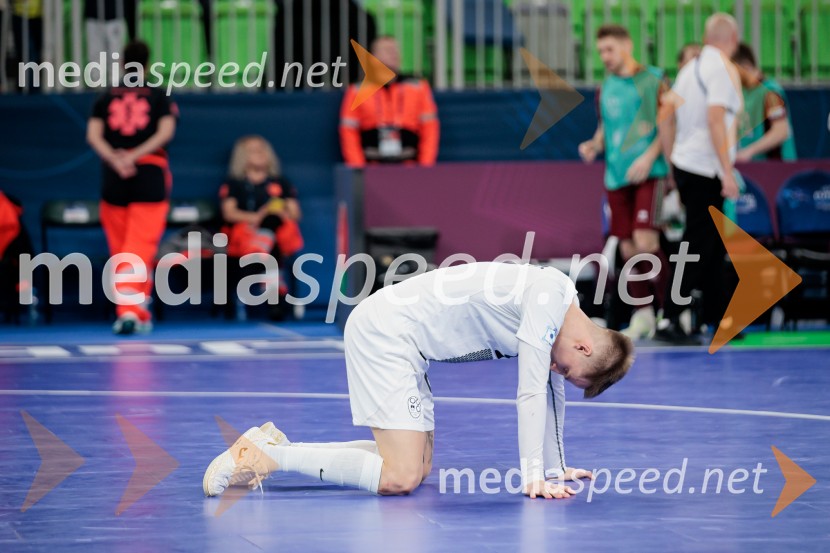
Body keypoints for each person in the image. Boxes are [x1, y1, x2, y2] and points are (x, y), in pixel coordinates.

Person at [204, 262, 634, 499]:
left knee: (416, 469)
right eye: (568, 370)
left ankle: (276, 448)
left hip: (409, 345)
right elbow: (529, 390)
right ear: (583, 348)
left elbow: (549, 389)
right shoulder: (548, 300)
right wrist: (533, 477)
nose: (557, 373)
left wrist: (556, 467)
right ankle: (260, 456)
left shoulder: (562, 302)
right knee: (400, 476)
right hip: (386, 332)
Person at [578, 24, 672, 340]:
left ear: (627, 46)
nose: (604, 56)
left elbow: (669, 125)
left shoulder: (654, 79)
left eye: (610, 49)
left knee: (647, 243)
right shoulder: (604, 87)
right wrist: (594, 143)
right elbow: (606, 126)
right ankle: (643, 314)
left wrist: (649, 157)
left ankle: (672, 311)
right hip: (616, 177)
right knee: (630, 249)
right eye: (600, 50)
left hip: (650, 174)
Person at [657, 13, 742, 342]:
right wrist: (727, 171)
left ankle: (718, 317)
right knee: (697, 244)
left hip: (687, 164)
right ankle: (670, 317)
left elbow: (665, 114)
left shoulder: (689, 69)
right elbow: (715, 119)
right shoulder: (720, 68)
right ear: (732, 39)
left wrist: (672, 160)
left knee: (711, 243)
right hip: (706, 168)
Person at [87, 40, 178, 335]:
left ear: (122, 64)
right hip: (149, 171)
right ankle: (128, 311)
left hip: (114, 175)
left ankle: (137, 309)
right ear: (148, 63)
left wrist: (116, 158)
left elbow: (94, 136)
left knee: (122, 248)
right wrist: (135, 156)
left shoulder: (106, 94)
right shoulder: (158, 92)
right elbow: (166, 132)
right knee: (138, 247)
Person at [218, 135, 303, 319]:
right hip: (246, 237)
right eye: (253, 150)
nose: (260, 154)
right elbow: (229, 213)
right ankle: (276, 300)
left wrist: (279, 212)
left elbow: (295, 213)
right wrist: (258, 216)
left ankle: (260, 249)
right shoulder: (235, 184)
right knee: (270, 239)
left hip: (276, 238)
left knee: (273, 221)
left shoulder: (281, 182)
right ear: (243, 156)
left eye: (262, 149)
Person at [340, 36, 439, 167]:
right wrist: (359, 170)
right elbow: (348, 133)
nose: (394, 54)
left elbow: (430, 129)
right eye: (387, 50)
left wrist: (425, 168)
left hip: (409, 166)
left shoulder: (418, 87)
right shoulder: (356, 90)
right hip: (372, 165)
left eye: (396, 50)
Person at [732, 43, 797, 162]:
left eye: (733, 71)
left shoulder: (771, 93)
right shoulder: (743, 92)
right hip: (751, 171)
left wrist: (749, 151)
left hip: (775, 170)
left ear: (746, 67)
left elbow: (781, 131)